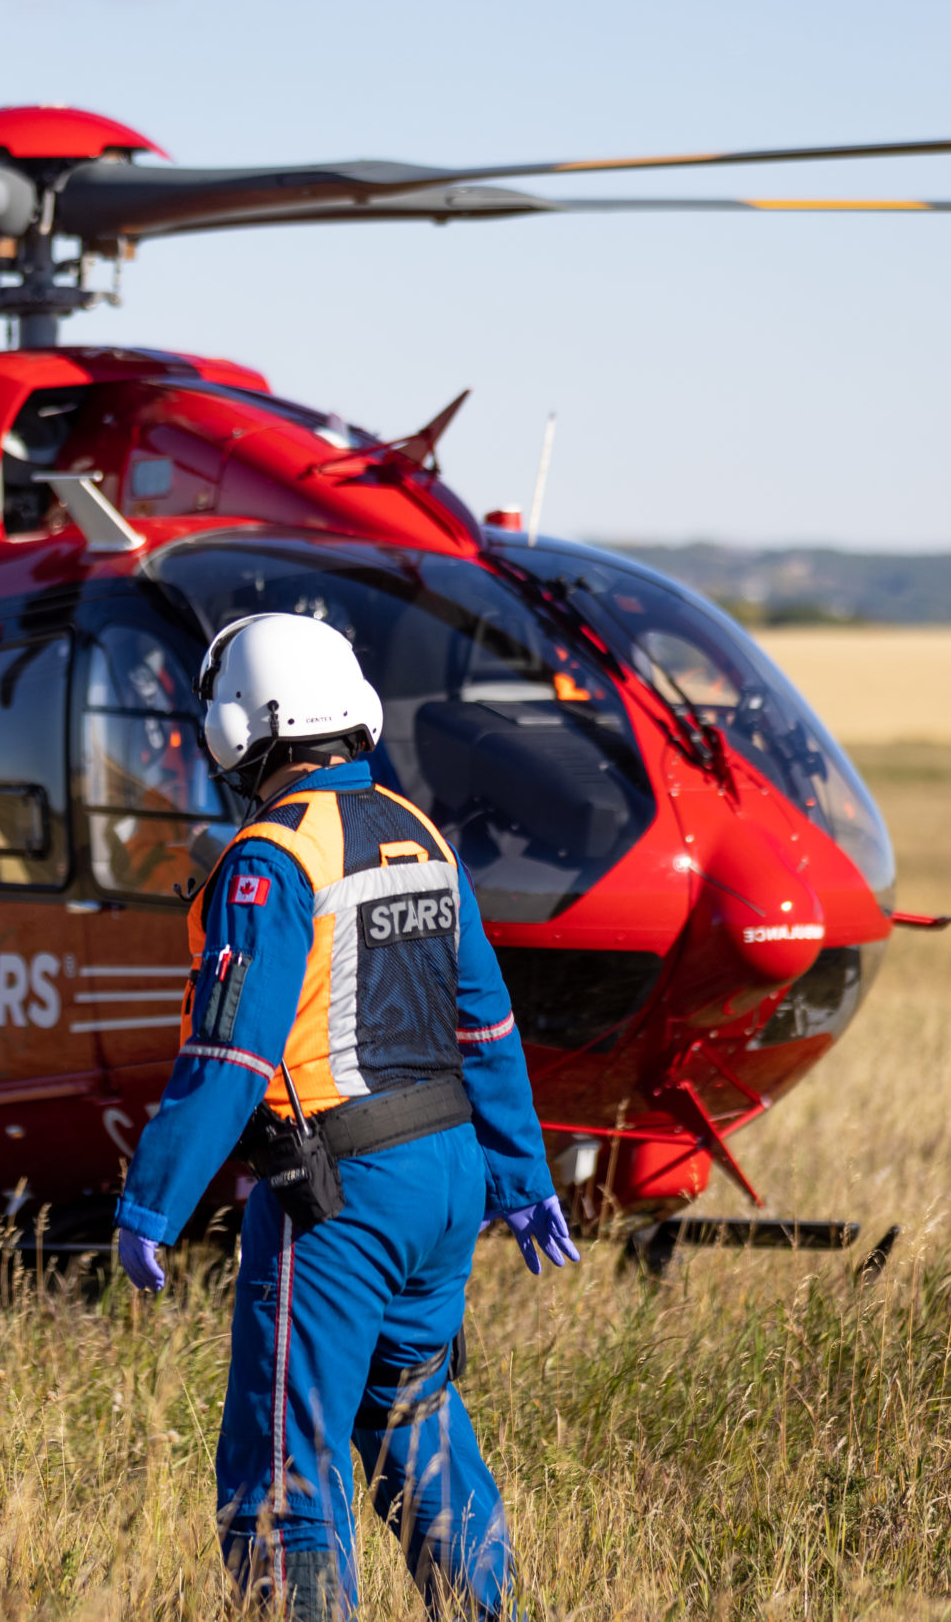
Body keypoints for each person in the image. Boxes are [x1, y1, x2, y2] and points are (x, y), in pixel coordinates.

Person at [112, 613, 581, 1620]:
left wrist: (152, 1204)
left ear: (240, 724)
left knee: (283, 1459)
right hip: (449, 1182)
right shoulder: (419, 836)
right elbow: (489, 1027)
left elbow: (232, 1054)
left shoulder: (269, 858)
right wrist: (524, 1176)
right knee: (411, 1412)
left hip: (339, 1197)